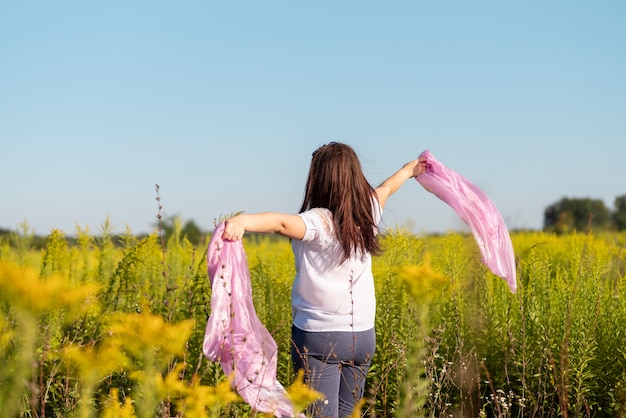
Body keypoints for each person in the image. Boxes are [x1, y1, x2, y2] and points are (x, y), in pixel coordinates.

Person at [223, 142, 426, 418]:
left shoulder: (318, 221)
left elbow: (280, 223)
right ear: (355, 177)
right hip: (362, 337)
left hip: (320, 338)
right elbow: (387, 187)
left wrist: (242, 221)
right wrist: (410, 169)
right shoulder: (368, 213)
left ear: (320, 180)